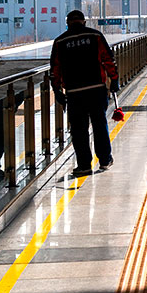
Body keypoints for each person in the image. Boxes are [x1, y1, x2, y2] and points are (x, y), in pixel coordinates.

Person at [50, 10, 118, 176]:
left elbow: (55, 69)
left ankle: (84, 165)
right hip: (96, 89)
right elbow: (108, 59)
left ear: (68, 23)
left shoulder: (60, 41)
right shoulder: (95, 36)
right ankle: (104, 160)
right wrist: (114, 79)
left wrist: (57, 90)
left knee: (79, 130)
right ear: (83, 22)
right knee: (99, 125)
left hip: (74, 93)